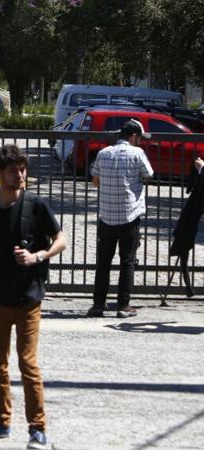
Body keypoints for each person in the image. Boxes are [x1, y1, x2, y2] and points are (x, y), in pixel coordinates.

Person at [0, 145, 67, 450]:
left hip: (28, 296)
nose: (20, 175)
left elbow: (61, 239)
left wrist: (38, 255)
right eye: (13, 170)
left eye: (23, 169)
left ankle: (38, 428)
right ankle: (1, 422)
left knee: (28, 363)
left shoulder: (36, 205)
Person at [89, 119, 154, 318]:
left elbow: (95, 180)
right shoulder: (137, 154)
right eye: (140, 138)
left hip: (106, 215)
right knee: (127, 261)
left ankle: (98, 305)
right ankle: (123, 306)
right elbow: (149, 174)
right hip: (129, 215)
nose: (141, 142)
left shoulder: (103, 153)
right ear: (133, 136)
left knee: (103, 262)